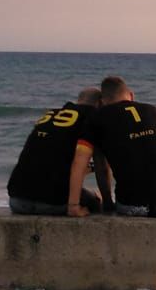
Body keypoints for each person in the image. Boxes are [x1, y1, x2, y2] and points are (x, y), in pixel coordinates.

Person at [67, 76, 156, 217]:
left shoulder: (97, 119)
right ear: (131, 95)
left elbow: (92, 166)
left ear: (102, 102)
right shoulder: (154, 111)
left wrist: (100, 203)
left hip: (130, 206)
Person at [6, 87, 112, 215]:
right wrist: (107, 202)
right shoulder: (92, 120)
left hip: (17, 201)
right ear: (100, 103)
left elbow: (49, 161)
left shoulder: (50, 116)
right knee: (95, 201)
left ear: (78, 101)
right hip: (54, 203)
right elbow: (101, 168)